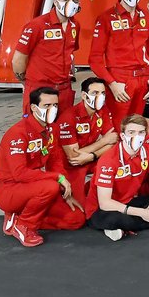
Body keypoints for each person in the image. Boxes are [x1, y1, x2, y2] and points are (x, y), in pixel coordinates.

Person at [0, 87, 87, 247]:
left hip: (34, 186)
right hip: (8, 189)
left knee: (76, 219)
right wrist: (58, 178)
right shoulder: (18, 133)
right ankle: (24, 226)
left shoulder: (52, 129)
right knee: (50, 187)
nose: (52, 109)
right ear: (34, 108)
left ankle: (19, 218)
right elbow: (20, 174)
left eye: (55, 105)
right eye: (47, 105)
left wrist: (65, 190)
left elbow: (55, 162)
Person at [84, 114, 149, 241]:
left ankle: (129, 226)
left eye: (141, 132)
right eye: (131, 132)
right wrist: (142, 212)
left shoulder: (148, 151)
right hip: (101, 210)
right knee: (117, 219)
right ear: (122, 136)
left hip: (128, 202)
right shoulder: (108, 160)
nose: (137, 136)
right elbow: (105, 203)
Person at [90, 0, 149, 119]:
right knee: (118, 125)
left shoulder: (146, 16)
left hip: (143, 78)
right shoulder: (106, 18)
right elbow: (95, 58)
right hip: (119, 79)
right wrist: (112, 83)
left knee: (136, 124)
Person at [12, 0, 82, 114]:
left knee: (64, 125)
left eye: (75, 1)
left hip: (64, 90)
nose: (70, 4)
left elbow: (70, 53)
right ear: (56, 2)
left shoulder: (75, 25)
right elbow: (18, 59)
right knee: (36, 126)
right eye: (66, 0)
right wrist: (26, 82)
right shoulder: (37, 25)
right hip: (40, 89)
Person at [56, 77, 118, 207]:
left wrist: (92, 156)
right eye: (95, 93)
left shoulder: (103, 110)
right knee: (78, 211)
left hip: (89, 159)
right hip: (70, 165)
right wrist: (103, 141)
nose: (100, 97)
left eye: (103, 93)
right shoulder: (69, 117)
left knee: (117, 163)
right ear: (84, 95)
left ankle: (93, 190)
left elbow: (114, 141)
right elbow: (73, 156)